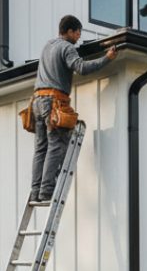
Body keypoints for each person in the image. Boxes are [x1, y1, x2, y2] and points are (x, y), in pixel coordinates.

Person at [30, 15, 117, 202]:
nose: (79, 37)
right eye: (78, 33)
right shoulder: (67, 48)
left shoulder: (48, 45)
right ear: (69, 31)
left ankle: (36, 190)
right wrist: (107, 58)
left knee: (41, 148)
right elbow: (81, 68)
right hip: (54, 101)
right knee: (56, 145)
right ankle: (46, 190)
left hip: (36, 101)